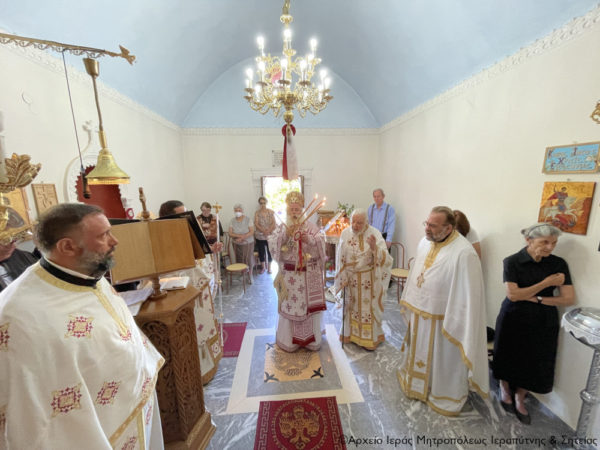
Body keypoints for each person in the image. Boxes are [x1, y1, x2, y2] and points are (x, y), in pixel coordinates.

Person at [0, 203, 165, 448]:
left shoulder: (86, 273)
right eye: (103, 235)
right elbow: (33, 408)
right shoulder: (17, 317)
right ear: (67, 246)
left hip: (134, 408)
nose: (115, 241)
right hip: (95, 431)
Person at [397, 206, 489, 415]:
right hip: (420, 312)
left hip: (445, 320)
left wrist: (455, 317)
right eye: (427, 223)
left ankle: (440, 393)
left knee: (441, 357)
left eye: (433, 226)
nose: (427, 229)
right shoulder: (425, 242)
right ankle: (416, 384)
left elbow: (468, 296)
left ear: (448, 229)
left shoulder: (464, 253)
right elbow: (417, 273)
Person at [493, 223, 574, 425]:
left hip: (543, 318)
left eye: (554, 243)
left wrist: (537, 299)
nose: (550, 247)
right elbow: (513, 295)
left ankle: (520, 396)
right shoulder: (512, 261)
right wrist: (546, 284)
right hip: (514, 315)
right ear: (528, 240)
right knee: (507, 352)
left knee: (535, 358)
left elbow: (568, 298)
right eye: (544, 242)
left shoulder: (558, 263)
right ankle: (504, 388)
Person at [158, 200, 223, 384]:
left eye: (186, 213)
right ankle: (196, 371)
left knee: (203, 325)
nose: (186, 218)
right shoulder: (163, 239)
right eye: (181, 214)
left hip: (200, 289)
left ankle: (209, 365)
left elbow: (199, 256)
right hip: (185, 293)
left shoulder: (189, 232)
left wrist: (211, 251)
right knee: (192, 332)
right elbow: (171, 269)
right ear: (168, 218)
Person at [268, 191, 326, 352]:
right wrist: (285, 236)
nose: (294, 213)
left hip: (307, 276)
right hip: (289, 277)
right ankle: (290, 341)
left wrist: (310, 240)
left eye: (297, 209)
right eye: (292, 209)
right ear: (288, 210)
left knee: (307, 309)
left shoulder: (310, 226)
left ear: (302, 210)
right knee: (290, 306)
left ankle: (309, 341)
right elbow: (272, 242)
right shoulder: (282, 227)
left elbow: (322, 239)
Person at [335, 209, 392, 350]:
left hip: (368, 280)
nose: (355, 225)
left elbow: (387, 259)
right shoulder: (345, 233)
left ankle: (368, 339)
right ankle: (349, 335)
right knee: (351, 307)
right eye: (353, 221)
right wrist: (342, 276)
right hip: (351, 279)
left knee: (368, 309)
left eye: (359, 223)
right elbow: (340, 256)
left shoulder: (375, 233)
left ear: (366, 222)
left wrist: (374, 248)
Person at [228, 203, 255, 284]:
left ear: (242, 211)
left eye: (239, 210)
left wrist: (242, 238)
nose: (238, 212)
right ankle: (243, 273)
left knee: (248, 258)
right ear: (234, 211)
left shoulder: (248, 220)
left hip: (248, 243)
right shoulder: (232, 220)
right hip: (236, 243)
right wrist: (239, 237)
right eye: (236, 210)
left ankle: (250, 275)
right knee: (239, 259)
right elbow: (230, 233)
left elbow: (251, 231)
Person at [254, 196, 276, 274]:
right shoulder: (257, 213)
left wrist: (268, 231)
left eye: (264, 203)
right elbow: (256, 223)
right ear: (259, 204)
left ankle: (269, 268)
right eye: (261, 203)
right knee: (261, 252)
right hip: (260, 235)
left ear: (266, 203)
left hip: (270, 235)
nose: (263, 205)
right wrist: (263, 231)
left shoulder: (271, 212)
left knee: (270, 252)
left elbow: (274, 223)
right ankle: (263, 267)